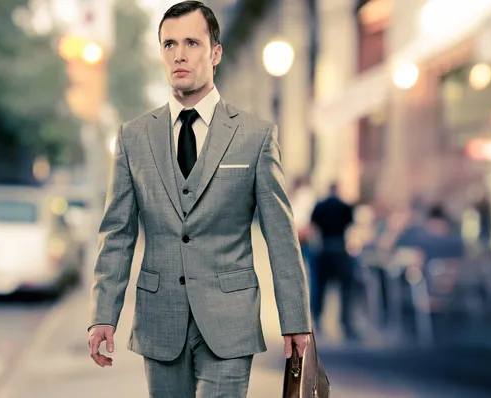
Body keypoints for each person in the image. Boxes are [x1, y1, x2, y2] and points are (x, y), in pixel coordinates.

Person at [87, 2, 311, 397]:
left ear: (216, 52)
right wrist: (103, 314)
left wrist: (296, 318)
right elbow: (117, 234)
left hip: (230, 320)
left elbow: (280, 236)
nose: (180, 53)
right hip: (160, 319)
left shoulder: (255, 136)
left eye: (192, 42)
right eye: (169, 44)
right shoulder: (133, 138)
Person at [309, 182, 356, 339]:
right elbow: (351, 227)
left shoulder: (320, 206)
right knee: (345, 290)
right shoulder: (345, 207)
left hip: (324, 249)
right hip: (340, 250)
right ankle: (345, 322)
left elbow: (313, 227)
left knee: (320, 288)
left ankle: (318, 318)